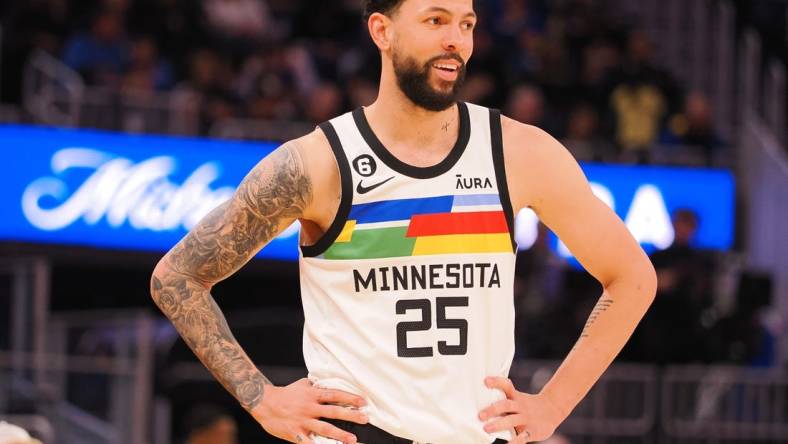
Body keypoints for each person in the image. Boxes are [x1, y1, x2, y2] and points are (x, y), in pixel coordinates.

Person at [150, 1, 657, 443]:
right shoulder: (317, 164)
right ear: (382, 31)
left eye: (466, 24)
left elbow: (633, 278)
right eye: (435, 20)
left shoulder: (520, 153)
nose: (455, 40)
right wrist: (262, 399)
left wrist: (552, 405)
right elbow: (177, 278)